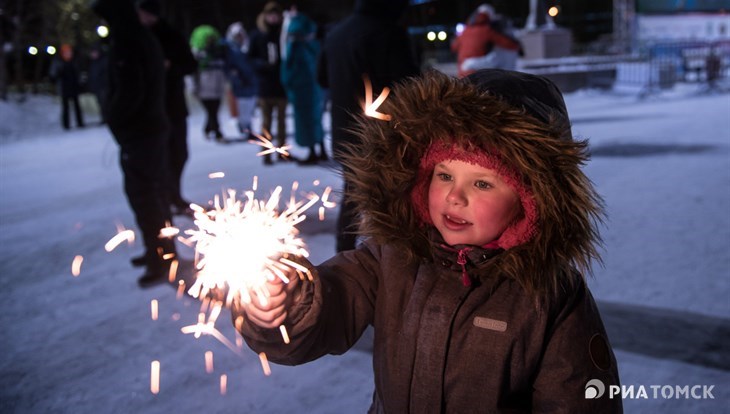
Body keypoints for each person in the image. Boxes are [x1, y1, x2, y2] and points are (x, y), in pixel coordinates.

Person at [234, 69, 623, 413]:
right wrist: (290, 303)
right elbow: (334, 299)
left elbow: (582, 398)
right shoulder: (391, 258)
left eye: (483, 183)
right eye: (444, 175)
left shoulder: (551, 297)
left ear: (531, 201)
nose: (455, 196)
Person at [316, 0, 420, 252]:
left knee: (353, 195)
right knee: (395, 199)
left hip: (345, 130)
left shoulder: (336, 33)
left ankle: (345, 253)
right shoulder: (389, 33)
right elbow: (411, 84)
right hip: (385, 132)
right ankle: (391, 261)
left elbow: (321, 78)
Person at [91, 0, 176, 288]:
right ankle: (162, 251)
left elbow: (131, 92)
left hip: (142, 132)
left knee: (146, 197)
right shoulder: (138, 38)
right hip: (148, 129)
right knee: (153, 194)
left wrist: (114, 116)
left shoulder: (128, 42)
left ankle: (161, 258)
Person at [136, 0, 199, 217]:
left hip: (173, 105)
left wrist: (171, 67)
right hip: (149, 110)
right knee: (157, 158)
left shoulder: (171, 35)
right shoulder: (134, 38)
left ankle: (174, 195)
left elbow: (190, 64)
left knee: (178, 153)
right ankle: (163, 199)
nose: (144, 17)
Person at [280, 7, 326, 164]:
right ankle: (321, 149)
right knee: (316, 117)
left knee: (306, 119)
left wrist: (286, 80)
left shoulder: (295, 31)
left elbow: (289, 62)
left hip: (302, 85)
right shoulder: (312, 33)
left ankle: (313, 151)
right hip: (315, 84)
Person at [248, 1, 288, 165]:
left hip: (281, 85)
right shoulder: (258, 35)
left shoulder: (283, 34)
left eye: (276, 15)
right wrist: (262, 65)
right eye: (270, 15)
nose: (273, 18)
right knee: (266, 122)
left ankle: (282, 152)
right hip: (265, 86)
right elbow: (250, 58)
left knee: (282, 122)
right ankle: (266, 153)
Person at [451, 4, 522, 78]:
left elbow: (454, 47)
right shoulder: (486, 29)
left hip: (461, 72)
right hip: (475, 73)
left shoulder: (466, 30)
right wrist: (518, 45)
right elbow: (507, 43)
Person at [190, 25, 227, 141]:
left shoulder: (219, 52)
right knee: (211, 110)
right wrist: (193, 87)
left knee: (213, 110)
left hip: (217, 87)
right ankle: (216, 131)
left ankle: (209, 129)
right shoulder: (197, 53)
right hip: (203, 87)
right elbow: (191, 73)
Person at [223, 22, 258, 137]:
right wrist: (234, 76)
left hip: (251, 82)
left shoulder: (247, 47)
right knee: (242, 108)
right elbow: (227, 67)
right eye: (236, 35)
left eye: (240, 35)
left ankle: (248, 127)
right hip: (239, 84)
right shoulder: (229, 50)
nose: (239, 38)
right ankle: (244, 128)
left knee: (250, 107)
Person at [49, 44, 85, 130]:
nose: (68, 54)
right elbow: (53, 74)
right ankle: (66, 125)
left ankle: (80, 123)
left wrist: (80, 82)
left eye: (69, 52)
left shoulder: (75, 61)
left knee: (77, 106)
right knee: (65, 107)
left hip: (74, 87)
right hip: (64, 88)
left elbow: (79, 73)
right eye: (66, 52)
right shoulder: (58, 61)